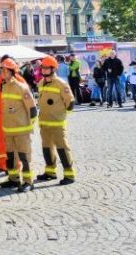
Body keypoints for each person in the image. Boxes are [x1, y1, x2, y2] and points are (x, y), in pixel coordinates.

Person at [0, 59, 37, 192]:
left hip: (21, 130)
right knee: (11, 157)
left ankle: (28, 181)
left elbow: (32, 108)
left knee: (24, 156)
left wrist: (30, 126)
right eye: (1, 70)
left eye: (4, 70)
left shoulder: (21, 87)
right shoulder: (4, 86)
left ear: (11, 71)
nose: (2, 72)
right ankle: (13, 179)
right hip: (9, 129)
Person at [35, 56, 76, 185]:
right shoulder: (41, 83)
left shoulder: (61, 84)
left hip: (57, 123)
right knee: (47, 148)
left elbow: (70, 103)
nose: (44, 70)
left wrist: (61, 115)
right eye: (43, 67)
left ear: (53, 69)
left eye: (47, 68)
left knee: (62, 148)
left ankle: (69, 174)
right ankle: (50, 172)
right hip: (44, 122)